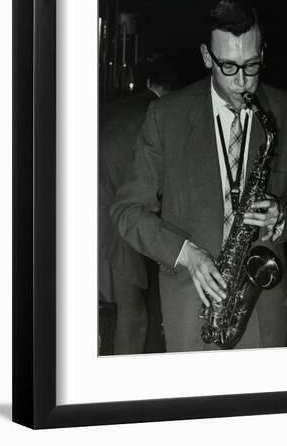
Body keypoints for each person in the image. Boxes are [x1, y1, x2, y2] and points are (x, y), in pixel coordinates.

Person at [110, 0, 287, 352]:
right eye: (228, 66)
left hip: (263, 312)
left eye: (251, 66)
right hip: (189, 310)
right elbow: (127, 211)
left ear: (262, 52)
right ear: (207, 56)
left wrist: (283, 214)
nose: (242, 82)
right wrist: (186, 253)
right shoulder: (166, 117)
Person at [99, 56, 180, 355]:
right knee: (134, 318)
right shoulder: (157, 115)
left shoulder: (117, 106)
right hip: (106, 220)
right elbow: (157, 190)